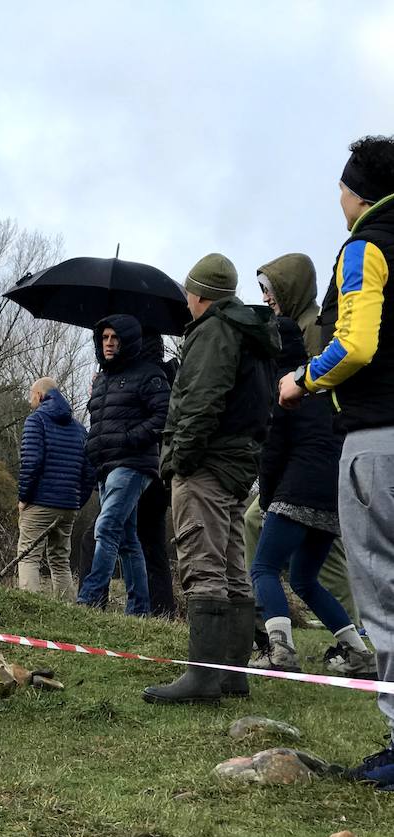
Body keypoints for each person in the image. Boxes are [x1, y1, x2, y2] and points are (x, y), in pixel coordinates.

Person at [278, 135, 394, 786]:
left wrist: (303, 378)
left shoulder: (365, 245)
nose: (339, 202)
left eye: (342, 191)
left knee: (381, 595)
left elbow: (355, 343)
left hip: (378, 440)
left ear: (359, 193)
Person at [144, 253, 279, 704]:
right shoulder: (250, 331)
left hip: (207, 463)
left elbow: (202, 400)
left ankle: (202, 680)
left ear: (199, 293)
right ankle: (232, 674)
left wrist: (178, 459)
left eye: (189, 290)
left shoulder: (215, 331)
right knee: (232, 566)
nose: (186, 298)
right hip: (239, 463)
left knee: (202, 564)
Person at [246, 254, 364, 668]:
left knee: (263, 567)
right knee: (303, 578)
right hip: (331, 486)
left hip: (298, 484)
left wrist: (271, 496)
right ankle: (358, 650)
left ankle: (280, 649)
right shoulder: (308, 375)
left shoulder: (287, 388)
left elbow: (275, 449)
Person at [77, 316, 170, 616]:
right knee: (129, 540)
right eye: (104, 337)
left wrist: (133, 438)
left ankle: (89, 600)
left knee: (106, 527)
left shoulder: (149, 375)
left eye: (115, 338)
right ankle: (139, 608)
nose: (109, 342)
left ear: (128, 341)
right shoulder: (102, 379)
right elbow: (101, 421)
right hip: (106, 464)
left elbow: (165, 414)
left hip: (133, 463)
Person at [16, 376, 94, 600]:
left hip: (40, 501)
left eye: (31, 395)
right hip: (68, 505)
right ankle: (66, 612)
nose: (30, 400)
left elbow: (31, 462)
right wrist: (77, 501)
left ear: (39, 395)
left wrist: (24, 498)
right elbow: (89, 471)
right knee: (60, 560)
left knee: (28, 556)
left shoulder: (36, 421)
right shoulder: (79, 429)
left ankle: (29, 608)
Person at [137, 330, 179, 618]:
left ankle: (143, 605)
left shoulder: (148, 379)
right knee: (152, 544)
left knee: (115, 537)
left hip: (143, 466)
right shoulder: (169, 376)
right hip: (161, 472)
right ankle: (162, 609)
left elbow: (155, 420)